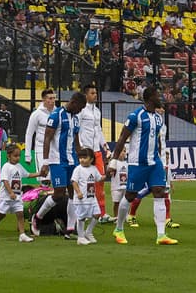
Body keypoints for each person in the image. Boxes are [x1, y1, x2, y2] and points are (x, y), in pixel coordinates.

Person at [111, 86, 176, 245]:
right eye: (157, 95)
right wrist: (113, 161)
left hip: (155, 162)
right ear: (150, 98)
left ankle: (161, 235)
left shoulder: (159, 118)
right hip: (137, 163)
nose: (160, 97)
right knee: (130, 195)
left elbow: (158, 142)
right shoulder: (135, 116)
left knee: (159, 192)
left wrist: (161, 160)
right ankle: (119, 228)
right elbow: (121, 138)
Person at [35, 90, 85, 238]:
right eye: (80, 108)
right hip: (57, 160)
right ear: (74, 103)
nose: (80, 111)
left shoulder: (75, 118)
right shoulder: (56, 115)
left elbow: (76, 142)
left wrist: (82, 160)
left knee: (73, 192)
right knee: (58, 193)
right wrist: (45, 162)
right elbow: (47, 138)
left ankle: (70, 229)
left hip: (72, 161)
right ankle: (38, 217)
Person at [77, 83, 111, 222]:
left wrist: (105, 146)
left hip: (96, 152)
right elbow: (77, 130)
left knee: (100, 182)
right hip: (85, 151)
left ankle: (101, 213)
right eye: (92, 93)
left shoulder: (97, 111)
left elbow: (99, 131)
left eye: (95, 93)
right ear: (86, 95)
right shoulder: (81, 111)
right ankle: (83, 212)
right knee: (83, 182)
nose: (95, 95)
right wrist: (80, 148)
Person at [0, 143, 33, 243]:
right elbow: (5, 181)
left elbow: (28, 174)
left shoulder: (19, 166)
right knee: (1, 215)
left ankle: (22, 234)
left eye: (19, 156)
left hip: (16, 197)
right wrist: (11, 192)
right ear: (8, 155)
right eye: (15, 156)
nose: (17, 158)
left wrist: (40, 174)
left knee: (20, 214)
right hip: (6, 197)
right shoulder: (6, 167)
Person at [71, 147, 103, 245]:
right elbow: (74, 181)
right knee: (81, 217)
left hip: (91, 198)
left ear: (91, 159)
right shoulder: (78, 169)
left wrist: (108, 173)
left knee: (97, 214)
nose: (82, 160)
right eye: (80, 158)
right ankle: (80, 237)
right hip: (81, 199)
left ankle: (88, 232)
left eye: (85, 158)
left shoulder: (93, 169)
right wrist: (78, 192)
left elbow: (99, 178)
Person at [24, 89, 56, 169]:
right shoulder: (36, 114)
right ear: (43, 99)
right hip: (41, 149)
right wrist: (27, 154)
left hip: (55, 150)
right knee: (45, 179)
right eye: (50, 98)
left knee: (55, 179)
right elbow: (29, 134)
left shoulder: (58, 113)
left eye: (54, 98)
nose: (53, 101)